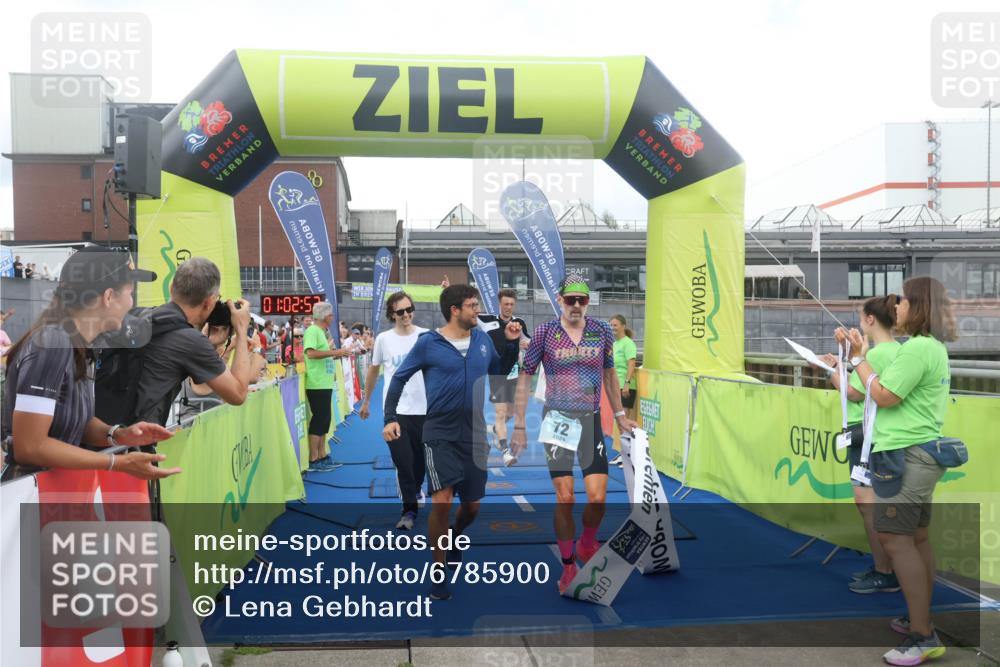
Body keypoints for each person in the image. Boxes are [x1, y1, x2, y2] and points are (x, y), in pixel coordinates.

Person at [836, 276, 957, 666]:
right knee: (916, 538)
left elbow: (883, 396)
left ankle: (923, 635)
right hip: (919, 454)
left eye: (903, 300)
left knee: (896, 539)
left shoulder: (918, 349)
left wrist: (858, 359)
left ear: (917, 305)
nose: (898, 306)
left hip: (905, 455)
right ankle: (918, 620)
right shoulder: (930, 348)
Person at [383, 284, 521, 601]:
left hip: (473, 434)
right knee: (441, 500)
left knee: (471, 506)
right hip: (439, 433)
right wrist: (389, 417)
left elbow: (499, 371)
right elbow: (399, 378)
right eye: (472, 305)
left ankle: (456, 535)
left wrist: (512, 346)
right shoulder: (428, 343)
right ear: (455, 310)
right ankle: (438, 570)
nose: (478, 310)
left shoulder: (483, 341)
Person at [1, 248, 177, 481]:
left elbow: (73, 421)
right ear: (108, 297)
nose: (131, 303)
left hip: (56, 496)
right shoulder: (53, 343)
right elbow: (30, 446)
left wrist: (119, 435)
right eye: (129, 292)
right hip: (31, 501)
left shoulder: (77, 344)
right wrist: (116, 462)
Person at [511, 275, 638, 595]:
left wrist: (620, 415)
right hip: (557, 421)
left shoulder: (601, 331)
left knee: (598, 496)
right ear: (560, 299)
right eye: (571, 300)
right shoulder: (544, 333)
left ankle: (586, 543)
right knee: (565, 497)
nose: (577, 305)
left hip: (591, 420)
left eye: (583, 300)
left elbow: (610, 375)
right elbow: (524, 379)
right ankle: (568, 567)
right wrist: (520, 426)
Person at [818, 295, 901, 594]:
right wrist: (844, 364)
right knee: (878, 506)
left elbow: (853, 393)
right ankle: (886, 567)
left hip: (868, 437)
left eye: (860, 316)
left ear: (869, 320)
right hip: (882, 435)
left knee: (867, 506)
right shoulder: (896, 351)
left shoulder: (877, 355)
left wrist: (832, 371)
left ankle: (885, 570)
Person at [127, 257, 258, 427]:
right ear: (210, 301)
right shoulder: (191, 341)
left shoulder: (139, 316)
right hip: (137, 442)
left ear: (172, 287)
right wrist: (240, 329)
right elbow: (238, 394)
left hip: (106, 434)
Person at [361, 291, 427, 531]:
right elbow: (373, 371)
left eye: (409, 309)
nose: (406, 314)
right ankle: (408, 510)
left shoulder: (425, 336)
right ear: (392, 314)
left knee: (419, 463)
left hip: (424, 409)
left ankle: (415, 488)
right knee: (403, 462)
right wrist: (366, 401)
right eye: (401, 312)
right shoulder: (384, 339)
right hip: (396, 411)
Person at [478, 288, 530, 465]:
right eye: (506, 304)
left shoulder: (519, 322)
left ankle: (494, 429)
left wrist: (527, 343)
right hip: (496, 373)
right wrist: (448, 290)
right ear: (499, 304)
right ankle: (505, 451)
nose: (509, 307)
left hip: (514, 373)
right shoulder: (487, 321)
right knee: (500, 414)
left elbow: (528, 340)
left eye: (511, 304)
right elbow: (465, 311)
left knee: (511, 413)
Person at [303, 301, 353, 471]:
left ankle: (322, 455)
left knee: (324, 419)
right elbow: (310, 353)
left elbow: (321, 355)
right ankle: (314, 459)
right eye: (331, 314)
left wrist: (336, 354)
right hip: (316, 383)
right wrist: (335, 352)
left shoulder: (320, 332)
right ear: (325, 316)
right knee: (319, 419)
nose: (332, 317)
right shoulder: (312, 331)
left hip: (323, 382)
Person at [608, 314, 638, 468]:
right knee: (619, 422)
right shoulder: (615, 344)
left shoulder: (628, 344)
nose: (612, 328)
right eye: (611, 325)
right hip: (616, 386)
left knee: (624, 422)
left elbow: (631, 364)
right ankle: (623, 453)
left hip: (626, 387)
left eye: (615, 325)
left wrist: (626, 383)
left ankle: (630, 456)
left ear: (623, 326)